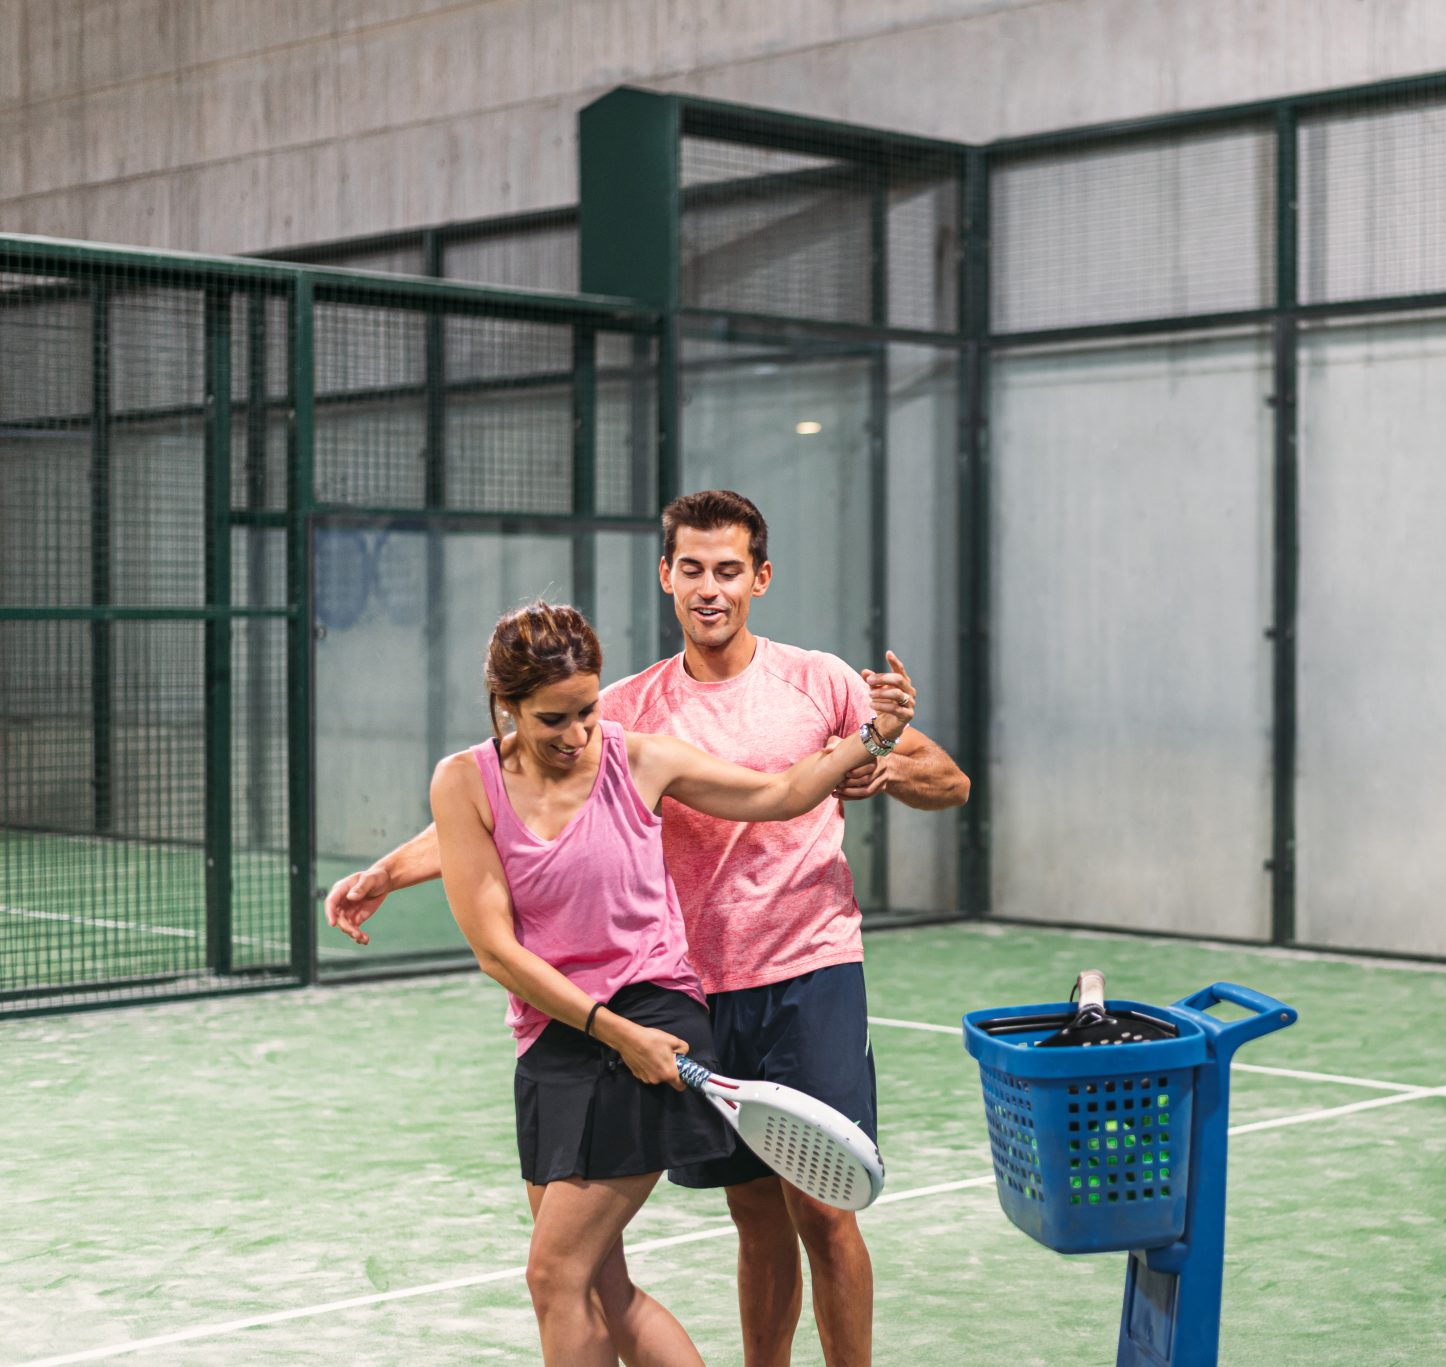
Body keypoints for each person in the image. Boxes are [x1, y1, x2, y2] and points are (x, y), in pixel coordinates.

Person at [327, 490, 971, 1367]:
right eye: (693, 569)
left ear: (760, 578)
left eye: (729, 570)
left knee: (824, 1211)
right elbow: (509, 812)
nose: (710, 588)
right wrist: (387, 871)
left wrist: (878, 758)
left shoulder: (819, 680)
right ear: (667, 575)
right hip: (700, 979)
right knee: (754, 1212)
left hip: (807, 966)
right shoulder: (617, 709)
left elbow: (945, 780)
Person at [435, 599, 913, 1367]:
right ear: (507, 707)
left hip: (655, 1017)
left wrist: (873, 736)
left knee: (555, 1274)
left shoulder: (637, 758)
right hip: (558, 1033)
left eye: (587, 711)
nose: (578, 734)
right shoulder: (464, 782)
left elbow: (779, 793)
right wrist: (381, 874)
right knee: (598, 1286)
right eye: (554, 719)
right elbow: (496, 950)